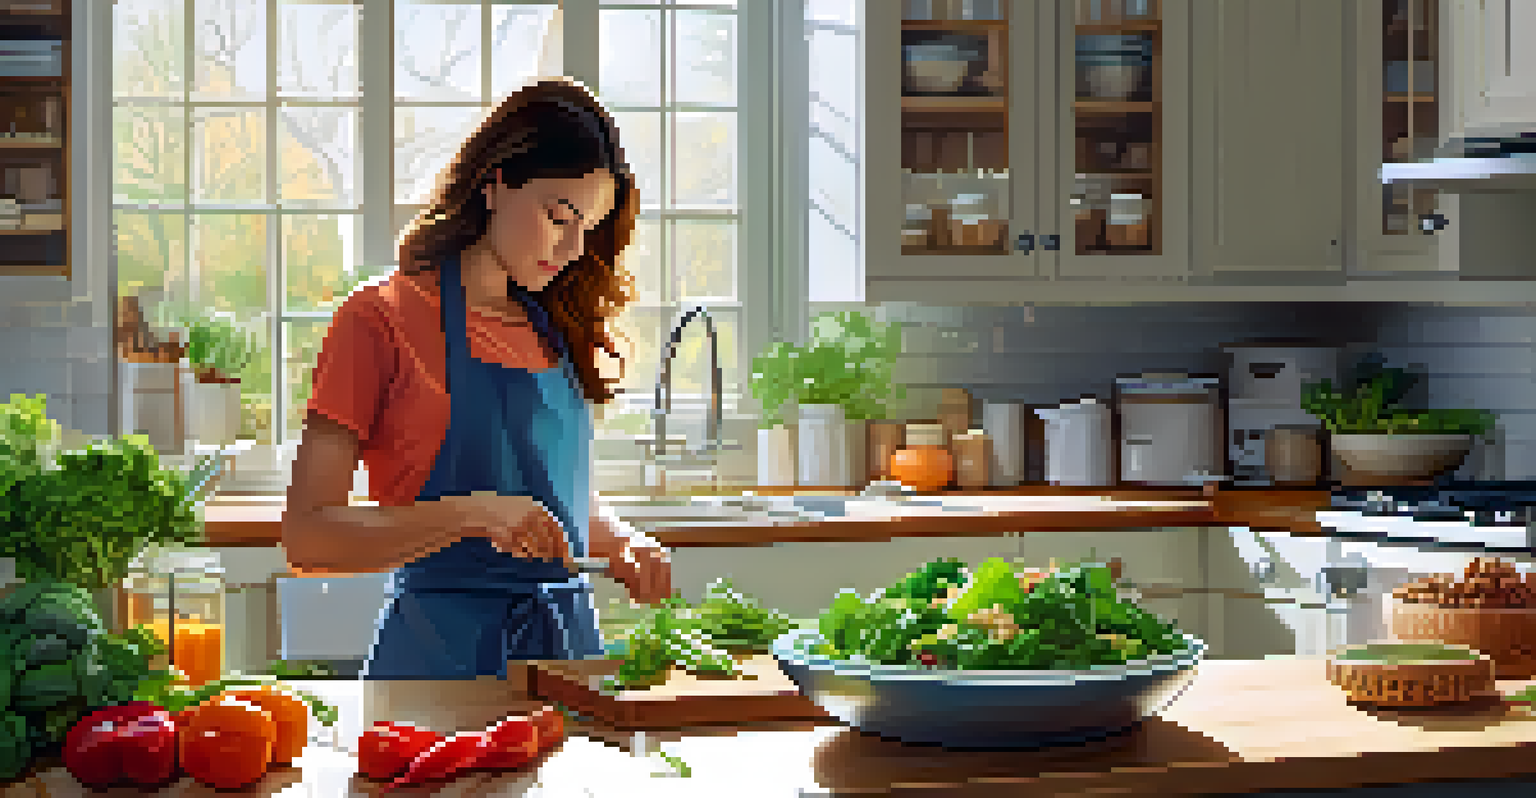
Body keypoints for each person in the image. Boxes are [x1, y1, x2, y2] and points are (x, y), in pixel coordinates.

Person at [281, 78, 672, 679]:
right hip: (436, 673)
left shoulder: (556, 329)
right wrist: (472, 515)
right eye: (558, 217)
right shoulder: (380, 318)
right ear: (495, 183)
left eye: (588, 228)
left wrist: (620, 539)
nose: (573, 247)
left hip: (566, 663)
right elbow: (309, 536)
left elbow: (556, 500)